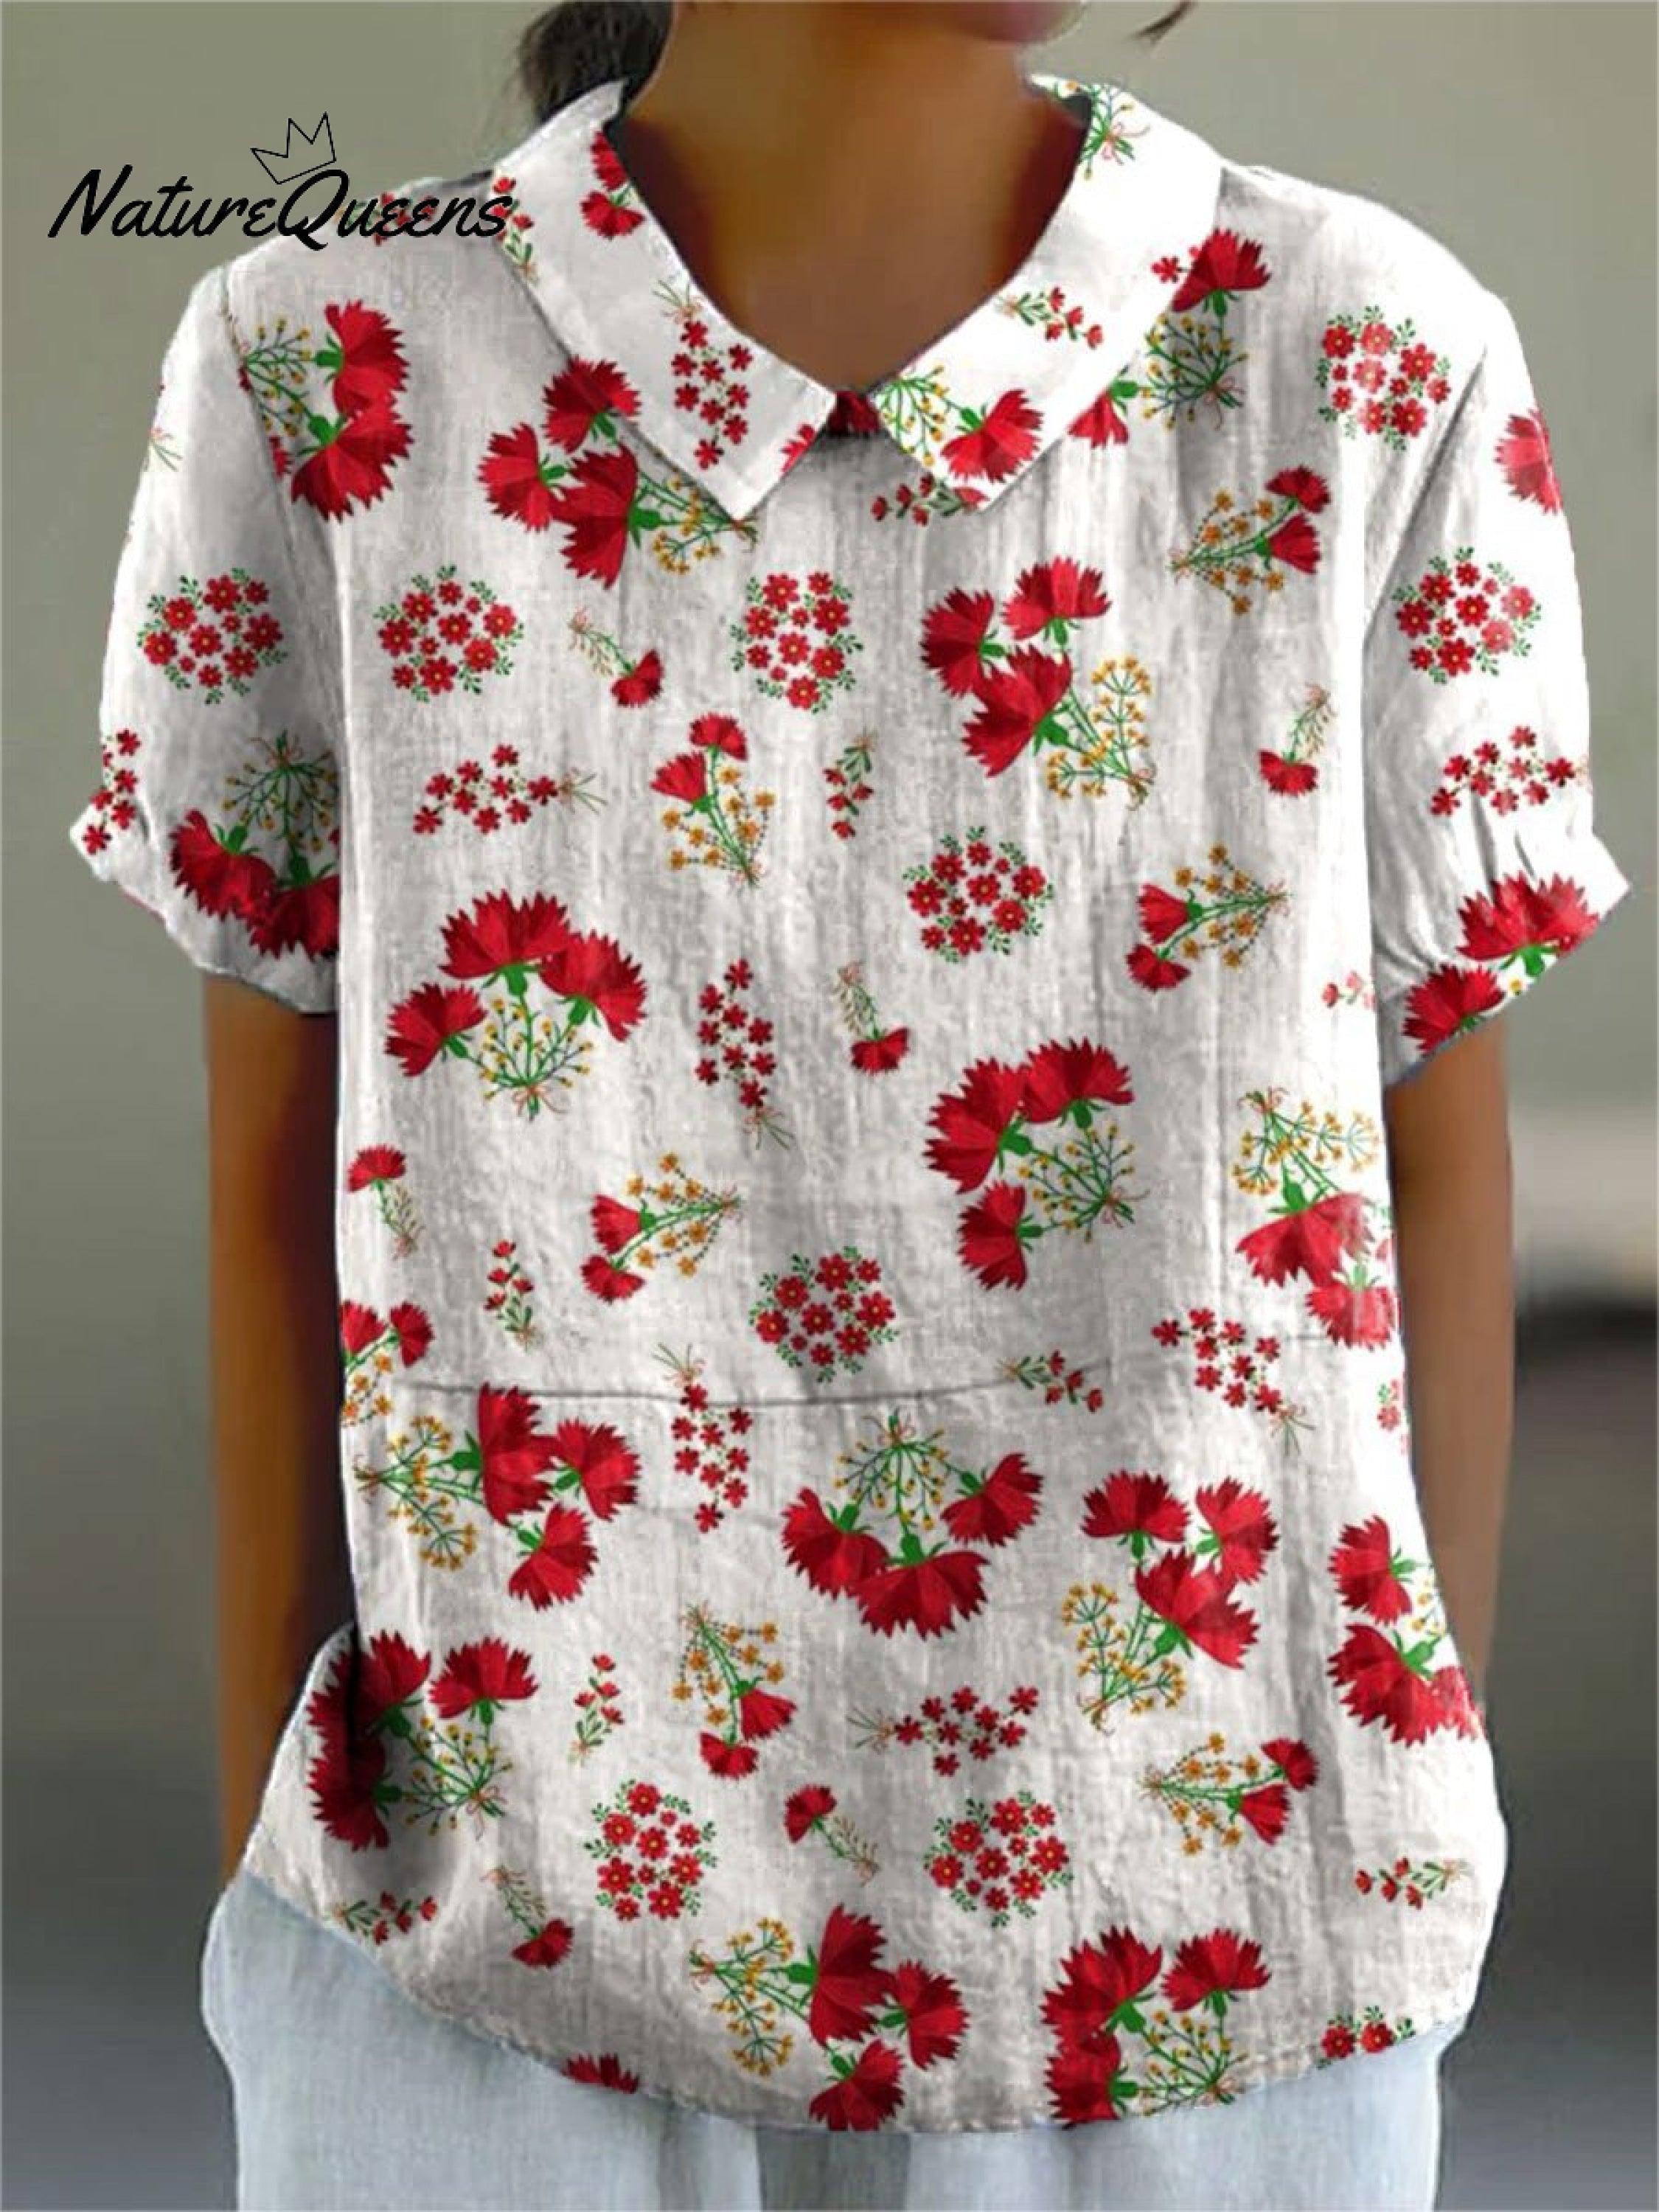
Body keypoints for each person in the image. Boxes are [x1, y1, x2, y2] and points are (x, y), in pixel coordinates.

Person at [68, 2, 1632, 2207]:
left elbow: (1421, 1177)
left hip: (1222, 1944)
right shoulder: (327, 368)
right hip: (479, 1947)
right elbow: (276, 1195)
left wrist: (1386, 1823)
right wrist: (299, 1919)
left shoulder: (1362, 359)